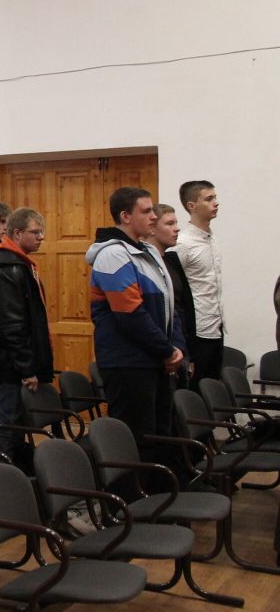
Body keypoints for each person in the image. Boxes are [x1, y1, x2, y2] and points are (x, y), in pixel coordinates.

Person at [86, 188, 185, 453]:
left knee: (159, 438)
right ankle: (135, 483)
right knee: (135, 443)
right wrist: (167, 351)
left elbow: (171, 305)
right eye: (146, 211)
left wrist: (176, 347)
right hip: (128, 362)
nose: (154, 216)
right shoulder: (112, 255)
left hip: (154, 359)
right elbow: (129, 314)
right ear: (125, 216)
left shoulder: (148, 251)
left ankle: (159, 480)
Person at [0, 208, 54, 461]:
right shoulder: (7, 269)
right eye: (35, 232)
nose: (41, 237)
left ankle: (14, 468)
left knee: (16, 422)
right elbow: (12, 326)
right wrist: (26, 368)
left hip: (17, 364)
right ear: (17, 233)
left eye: (41, 232)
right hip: (12, 366)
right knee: (8, 422)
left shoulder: (20, 265)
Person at [173, 180, 223, 384]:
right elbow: (176, 291)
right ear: (192, 206)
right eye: (209, 199)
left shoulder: (212, 238)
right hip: (197, 330)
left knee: (213, 387)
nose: (216, 203)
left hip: (216, 326)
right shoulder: (183, 243)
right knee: (195, 390)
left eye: (215, 198)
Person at [151, 204, 196, 390]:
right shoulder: (146, 264)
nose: (177, 229)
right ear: (152, 228)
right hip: (162, 349)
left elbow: (185, 305)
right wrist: (166, 349)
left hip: (181, 343)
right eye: (170, 224)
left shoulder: (172, 260)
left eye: (176, 223)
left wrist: (189, 351)